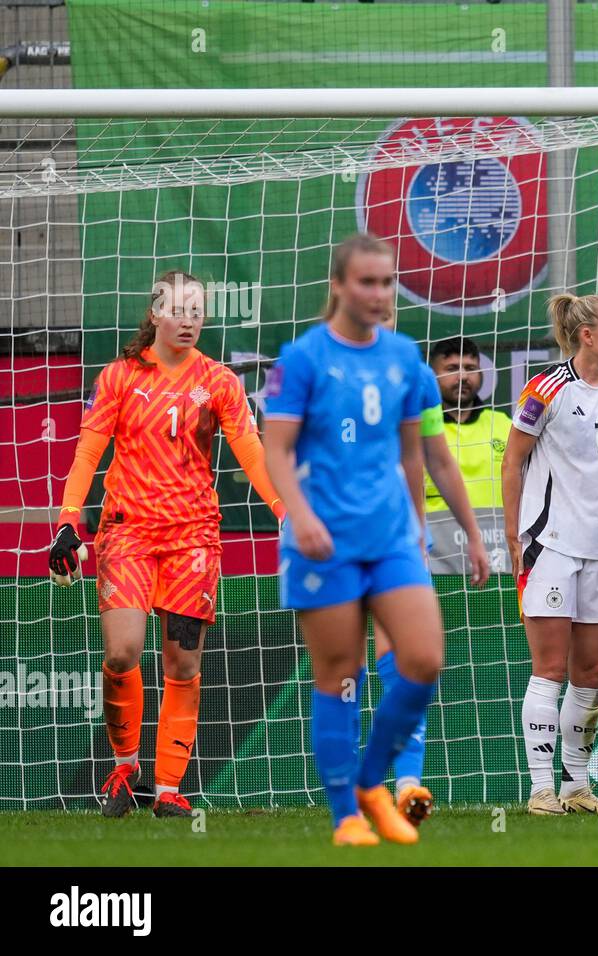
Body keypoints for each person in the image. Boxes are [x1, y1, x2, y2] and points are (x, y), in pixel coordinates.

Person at [48, 269, 284, 818]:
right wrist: (67, 522)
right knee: (121, 652)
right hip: (127, 531)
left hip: (193, 538)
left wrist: (284, 511)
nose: (189, 319)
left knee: (181, 663)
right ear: (154, 313)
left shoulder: (219, 381)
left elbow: (250, 450)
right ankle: (124, 767)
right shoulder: (120, 377)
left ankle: (169, 789)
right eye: (178, 309)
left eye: (198, 310)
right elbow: (88, 452)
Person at [262, 234, 448, 846]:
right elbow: (276, 450)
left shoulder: (403, 356)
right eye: (366, 282)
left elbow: (413, 455)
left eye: (388, 282)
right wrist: (301, 515)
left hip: (390, 537)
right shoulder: (303, 358)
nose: (379, 293)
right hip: (324, 543)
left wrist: (430, 529)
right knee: (339, 675)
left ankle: (375, 781)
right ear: (338, 286)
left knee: (422, 660)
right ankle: (346, 814)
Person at [503, 292, 598, 816]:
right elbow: (512, 463)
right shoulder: (546, 389)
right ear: (587, 335)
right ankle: (541, 788)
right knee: (549, 668)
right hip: (549, 545)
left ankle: (576, 786)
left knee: (591, 671)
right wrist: (512, 533)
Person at [368, 317, 489, 827]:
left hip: (398, 536)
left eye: (387, 299)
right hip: (336, 531)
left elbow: (437, 461)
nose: (380, 310)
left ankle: (406, 783)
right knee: (340, 671)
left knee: (410, 658)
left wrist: (475, 534)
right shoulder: (315, 368)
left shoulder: (414, 378)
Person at [424, 337, 515, 572]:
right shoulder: (417, 429)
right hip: (434, 560)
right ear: (431, 373)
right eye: (452, 369)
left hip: (498, 559)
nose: (463, 376)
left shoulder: (504, 425)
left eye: (471, 368)